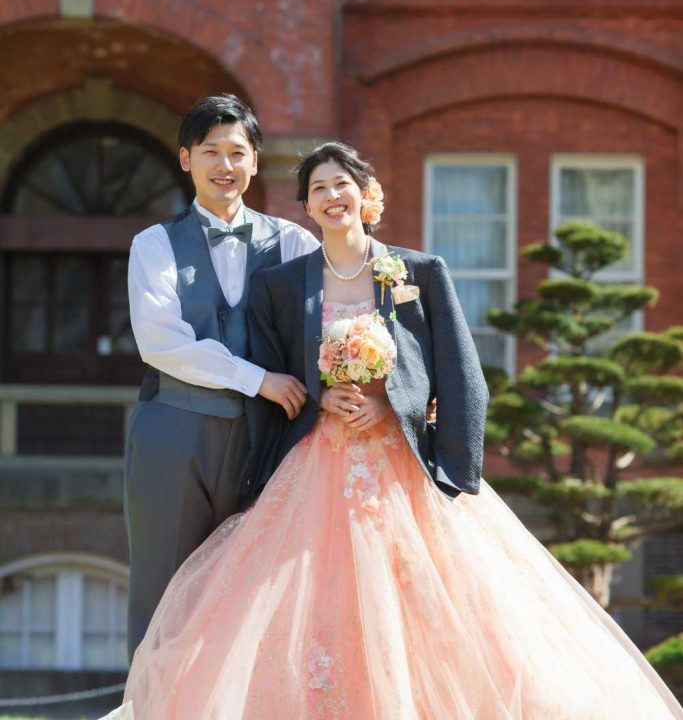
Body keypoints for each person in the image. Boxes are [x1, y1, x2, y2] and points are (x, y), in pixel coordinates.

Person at [109, 143, 683, 719]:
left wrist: (397, 413)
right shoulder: (281, 285)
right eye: (318, 189)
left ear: (367, 194)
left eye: (342, 184)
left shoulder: (419, 272)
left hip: (402, 465)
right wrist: (320, 398)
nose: (332, 196)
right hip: (316, 465)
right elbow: (276, 371)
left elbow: (460, 373)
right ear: (306, 207)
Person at [124, 94, 317, 660]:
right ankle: (153, 702)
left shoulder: (294, 243)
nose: (224, 165)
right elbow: (160, 342)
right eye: (210, 151)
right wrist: (257, 378)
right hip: (173, 434)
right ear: (186, 159)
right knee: (163, 593)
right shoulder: (154, 244)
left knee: (254, 595)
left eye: (237, 152)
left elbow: (334, 321)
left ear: (255, 160)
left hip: (268, 440)